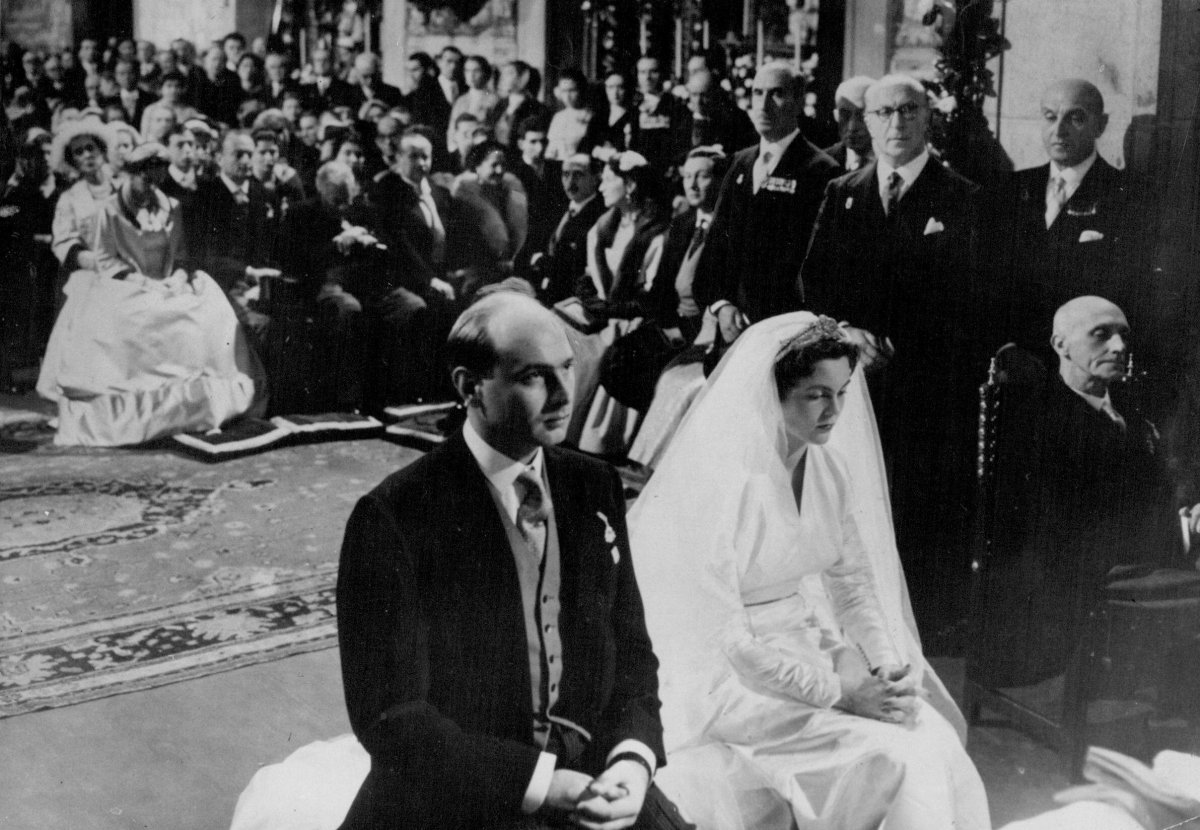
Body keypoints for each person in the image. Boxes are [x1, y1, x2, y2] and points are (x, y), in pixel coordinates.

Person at [230, 291, 687, 830]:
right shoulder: (393, 515)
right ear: (471, 388)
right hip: (459, 793)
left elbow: (632, 653)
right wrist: (543, 784)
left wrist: (632, 762)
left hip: (592, 775)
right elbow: (392, 718)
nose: (566, 394)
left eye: (567, 366)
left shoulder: (594, 485)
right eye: (535, 377)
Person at [627, 311, 991, 830]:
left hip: (808, 644)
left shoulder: (828, 469)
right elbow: (729, 642)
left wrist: (883, 666)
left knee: (930, 736)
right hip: (729, 677)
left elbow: (852, 587)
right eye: (816, 394)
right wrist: (841, 693)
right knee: (894, 758)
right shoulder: (722, 487)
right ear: (771, 395)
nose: (835, 410)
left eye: (842, 392)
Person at [801, 73, 982, 631]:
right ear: (867, 122)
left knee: (913, 510)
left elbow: (974, 297)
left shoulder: (963, 197)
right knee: (849, 504)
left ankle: (919, 625)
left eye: (908, 110)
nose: (896, 123)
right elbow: (814, 280)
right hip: (853, 384)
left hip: (924, 387)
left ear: (928, 117)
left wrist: (902, 344)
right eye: (882, 113)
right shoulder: (844, 192)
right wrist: (849, 333)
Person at [975, 296, 1200, 686]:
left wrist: (1187, 513)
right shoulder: (1037, 422)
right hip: (1063, 590)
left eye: (1123, 336)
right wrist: (1180, 532)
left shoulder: (1135, 412)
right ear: (1061, 345)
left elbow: (1157, 491)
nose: (1119, 347)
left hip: (1133, 567)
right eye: (1101, 335)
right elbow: (1061, 530)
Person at [36, 142, 263, 446]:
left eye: (156, 179)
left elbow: (180, 253)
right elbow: (105, 259)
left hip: (166, 279)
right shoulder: (110, 210)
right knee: (135, 319)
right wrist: (139, 282)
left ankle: (197, 406)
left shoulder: (171, 206)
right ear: (132, 175)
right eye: (145, 178)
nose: (150, 187)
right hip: (123, 283)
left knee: (204, 310)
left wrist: (178, 276)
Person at [990, 79, 1148, 359]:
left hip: (1083, 363)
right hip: (1012, 360)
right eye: (1050, 117)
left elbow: (1130, 296)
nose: (1058, 130)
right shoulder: (1008, 191)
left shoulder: (1131, 198)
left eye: (1075, 118)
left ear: (1101, 125)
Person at [693, 61, 840, 338]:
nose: (763, 105)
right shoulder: (741, 163)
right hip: (731, 327)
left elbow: (815, 265)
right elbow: (716, 248)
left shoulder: (820, 170)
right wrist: (723, 306)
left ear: (798, 102)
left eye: (776, 93)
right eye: (758, 93)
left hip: (786, 329)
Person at [449, 138, 528, 297]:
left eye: (502, 165)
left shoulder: (514, 188)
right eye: (493, 165)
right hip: (477, 272)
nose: (499, 170)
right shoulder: (462, 195)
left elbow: (521, 228)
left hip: (512, 269)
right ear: (477, 166)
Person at [490, 60, 548, 149]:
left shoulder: (538, 109)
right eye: (502, 73)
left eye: (509, 73)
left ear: (524, 78)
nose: (502, 78)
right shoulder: (500, 105)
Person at [822, 75, 874, 171]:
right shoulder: (820, 165)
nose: (852, 127)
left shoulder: (895, 164)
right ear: (836, 115)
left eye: (862, 116)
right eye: (844, 116)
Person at [446, 54, 498, 151]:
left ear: (485, 73)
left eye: (476, 71)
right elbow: (452, 129)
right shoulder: (461, 100)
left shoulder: (494, 100)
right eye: (467, 71)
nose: (471, 75)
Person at [545, 68, 593, 161]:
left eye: (572, 90)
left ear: (581, 90)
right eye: (564, 91)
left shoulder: (590, 117)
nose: (567, 96)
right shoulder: (558, 117)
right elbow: (551, 148)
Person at [586, 71, 634, 153]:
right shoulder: (599, 116)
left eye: (620, 87)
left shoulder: (634, 115)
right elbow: (588, 144)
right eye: (610, 87)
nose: (615, 93)